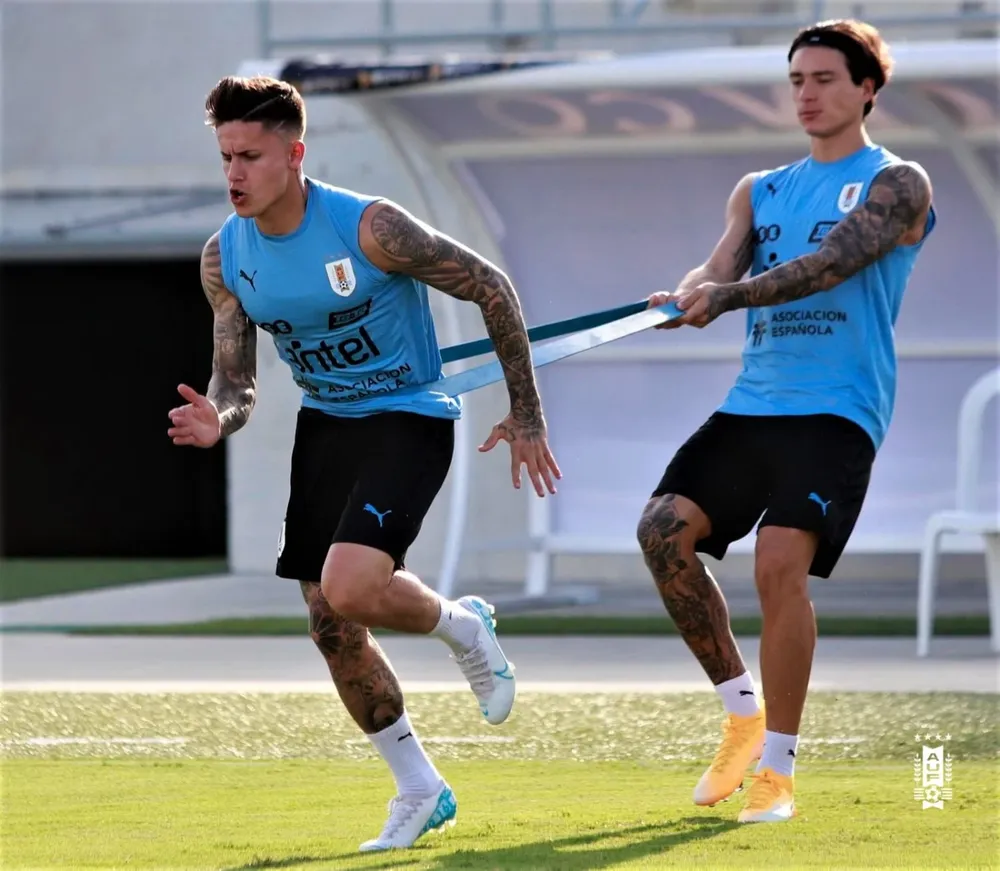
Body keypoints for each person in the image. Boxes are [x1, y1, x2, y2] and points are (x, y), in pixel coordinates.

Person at [166, 74, 562, 851]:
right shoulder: (225, 258)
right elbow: (237, 379)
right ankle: (420, 786)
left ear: (295, 153)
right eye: (225, 157)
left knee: (347, 587)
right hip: (327, 427)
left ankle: (461, 628)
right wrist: (224, 418)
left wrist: (525, 411)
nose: (235, 174)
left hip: (407, 416)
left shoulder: (372, 228)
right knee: (329, 623)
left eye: (250, 155)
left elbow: (492, 286)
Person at [638, 19, 936, 823]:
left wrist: (725, 298)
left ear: (868, 87)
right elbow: (721, 264)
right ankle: (742, 712)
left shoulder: (897, 182)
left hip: (838, 410)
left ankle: (779, 770)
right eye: (797, 79)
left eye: (825, 79)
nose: (807, 94)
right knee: (663, 531)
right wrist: (685, 294)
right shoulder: (760, 188)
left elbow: (831, 262)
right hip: (754, 403)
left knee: (778, 564)